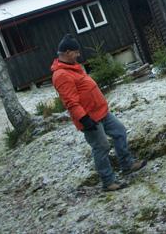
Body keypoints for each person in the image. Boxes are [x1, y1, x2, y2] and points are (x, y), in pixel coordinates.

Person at [51, 33, 146, 191]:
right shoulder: (61, 75)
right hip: (89, 119)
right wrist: (84, 119)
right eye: (76, 52)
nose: (78, 54)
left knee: (120, 131)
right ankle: (108, 182)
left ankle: (127, 164)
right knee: (101, 147)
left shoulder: (73, 67)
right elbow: (70, 102)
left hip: (101, 112)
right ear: (67, 52)